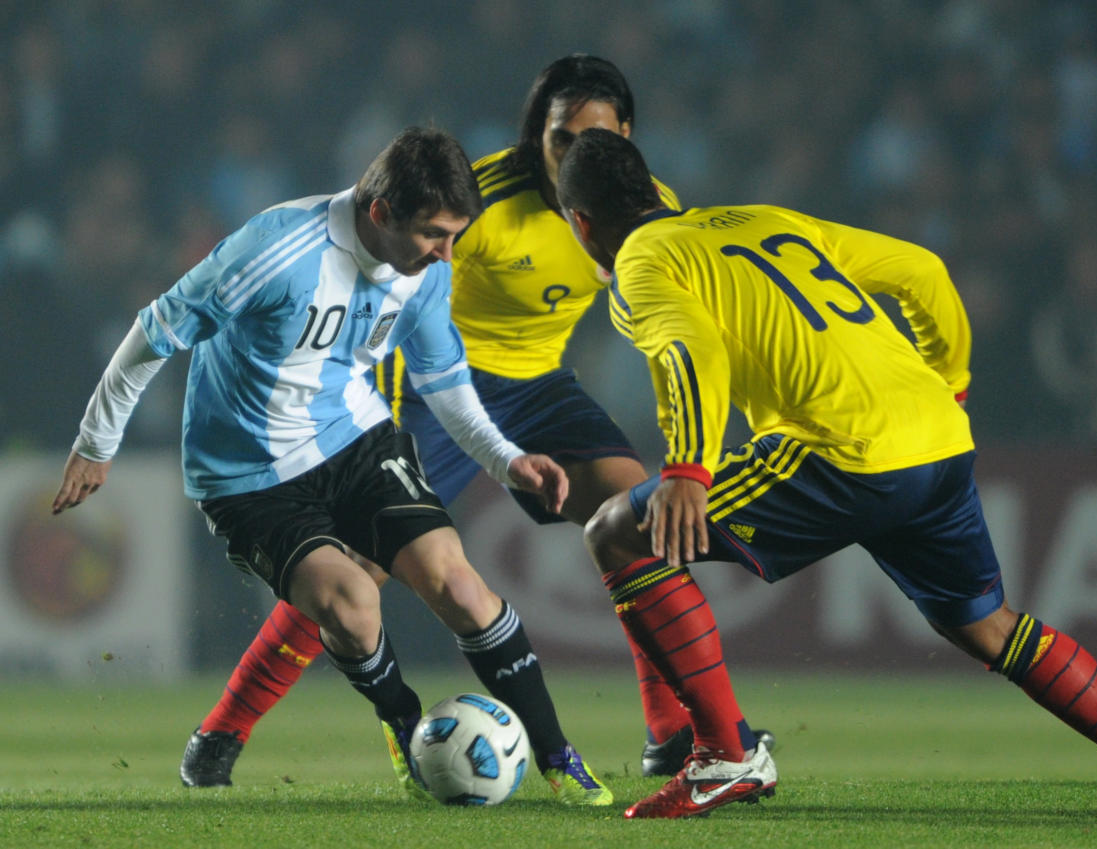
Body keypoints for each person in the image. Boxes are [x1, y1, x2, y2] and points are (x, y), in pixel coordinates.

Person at [555, 128, 1097, 819]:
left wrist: (689, 468)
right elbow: (923, 271)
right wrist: (951, 386)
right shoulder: (765, 220)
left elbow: (690, 352)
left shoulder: (642, 264)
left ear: (581, 222)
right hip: (935, 437)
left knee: (615, 531)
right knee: (991, 626)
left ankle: (726, 755)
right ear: (657, 190)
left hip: (839, 449)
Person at [179, 55, 768, 790]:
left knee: (638, 515)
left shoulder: (642, 206)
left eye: (595, 140)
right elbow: (399, 309)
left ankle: (671, 730)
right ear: (536, 138)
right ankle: (223, 731)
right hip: (441, 389)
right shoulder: (484, 201)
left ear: (628, 138)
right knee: (356, 572)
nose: (574, 157)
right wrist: (378, 442)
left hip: (543, 387)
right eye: (560, 139)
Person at [53, 126, 613, 806]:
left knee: (460, 586)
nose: (447, 254)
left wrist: (507, 459)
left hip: (354, 437)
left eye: (456, 235)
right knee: (353, 602)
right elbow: (154, 329)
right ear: (380, 212)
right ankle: (406, 725)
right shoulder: (276, 248)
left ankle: (559, 755)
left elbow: (444, 382)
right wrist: (96, 441)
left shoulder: (425, 273)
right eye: (435, 234)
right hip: (247, 473)